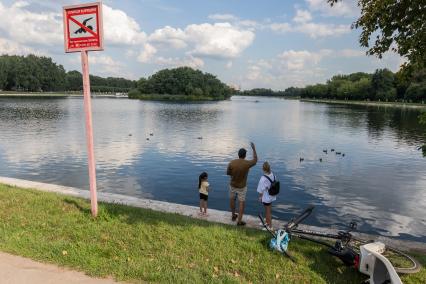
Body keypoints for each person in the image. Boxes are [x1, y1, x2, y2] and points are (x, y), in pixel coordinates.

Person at [226, 142, 257, 226]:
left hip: (232, 185)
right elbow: (255, 160)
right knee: (241, 202)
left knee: (232, 199)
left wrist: (234, 175)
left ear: (238, 154)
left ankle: (233, 215)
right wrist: (254, 149)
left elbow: (228, 173)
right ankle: (239, 221)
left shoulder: (232, 163)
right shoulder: (247, 164)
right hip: (242, 187)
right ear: (245, 155)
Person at [257, 161, 277, 230]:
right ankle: (266, 222)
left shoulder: (263, 178)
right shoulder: (273, 175)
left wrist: (260, 197)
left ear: (263, 169)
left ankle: (270, 227)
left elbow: (260, 189)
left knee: (268, 211)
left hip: (266, 197)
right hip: (272, 196)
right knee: (268, 210)